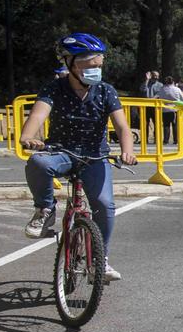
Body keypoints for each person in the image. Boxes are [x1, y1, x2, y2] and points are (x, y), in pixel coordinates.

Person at [18, 33, 138, 279]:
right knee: (38, 163)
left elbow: (123, 127)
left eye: (99, 65)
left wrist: (128, 151)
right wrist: (28, 136)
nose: (96, 70)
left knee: (104, 205)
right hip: (61, 151)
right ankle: (45, 210)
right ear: (70, 64)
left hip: (95, 156)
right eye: (89, 66)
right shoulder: (54, 89)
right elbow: (38, 115)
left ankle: (100, 260)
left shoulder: (105, 91)